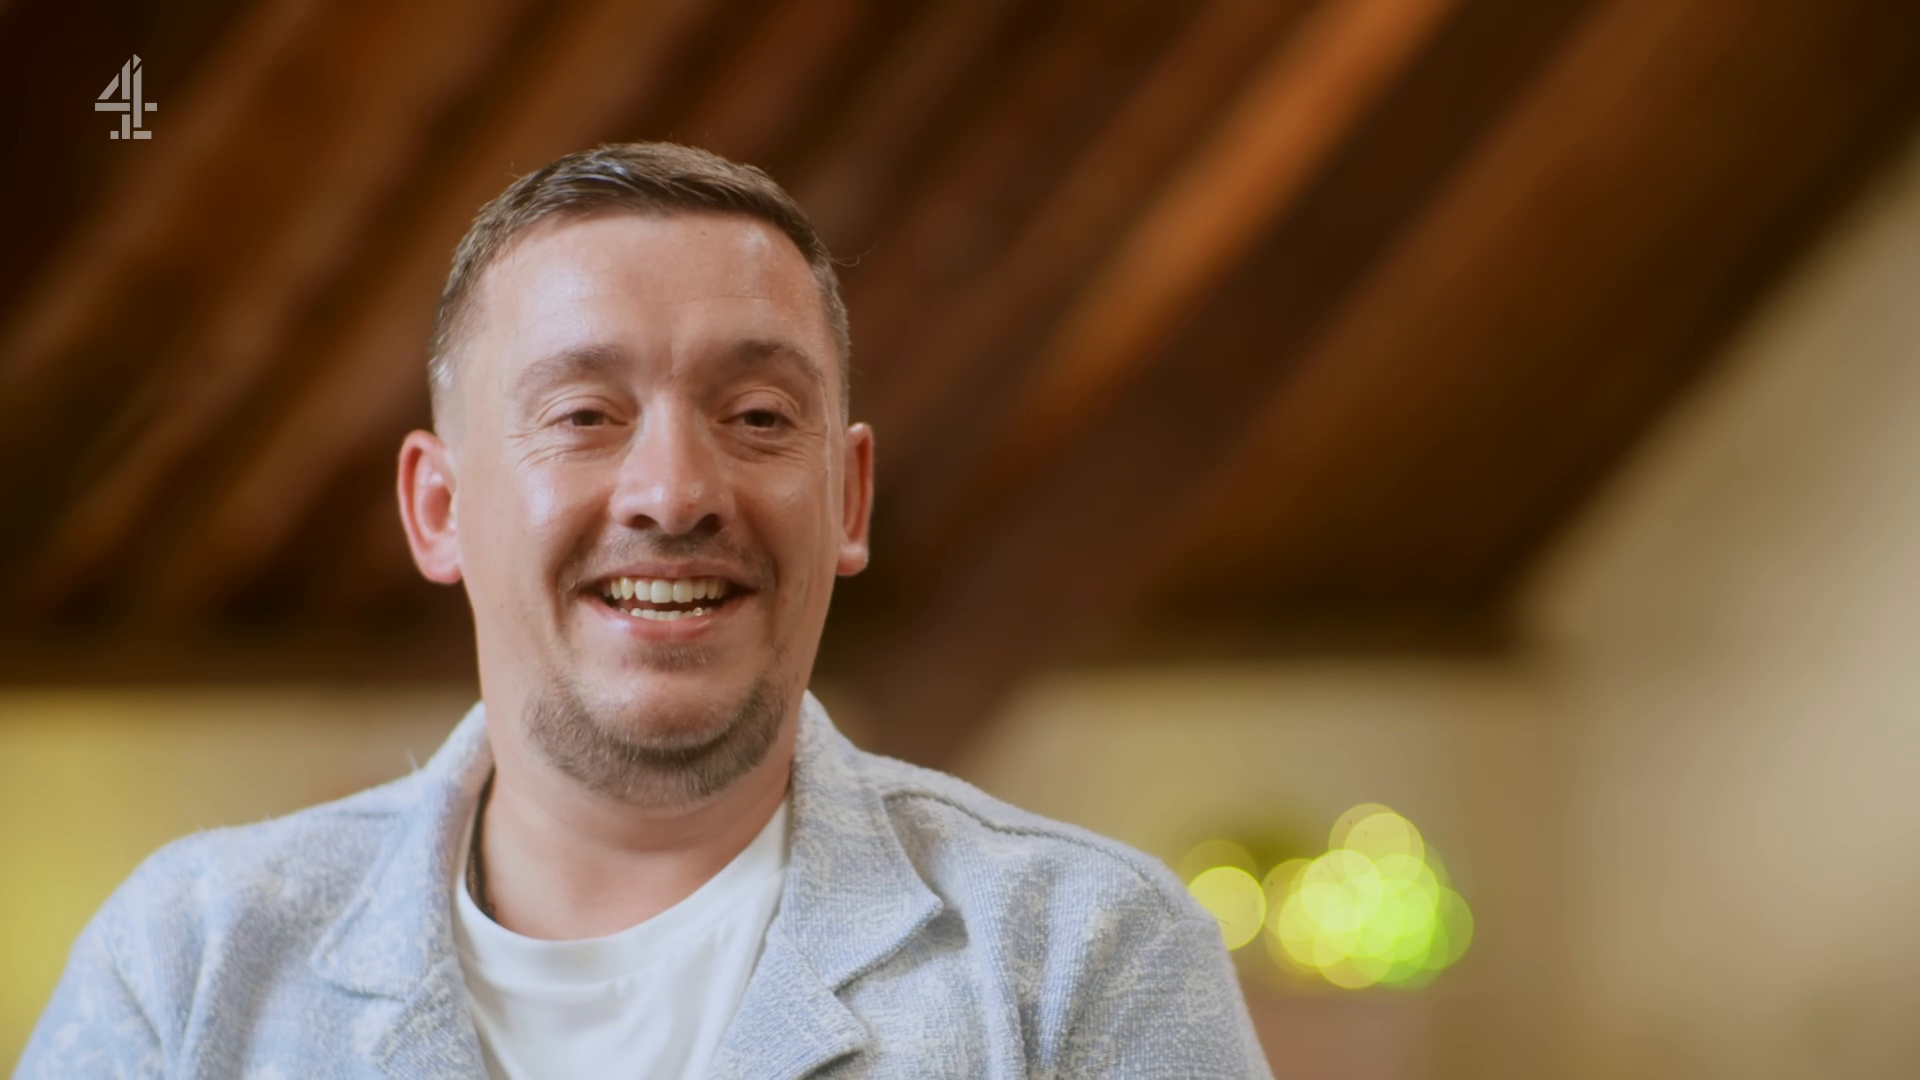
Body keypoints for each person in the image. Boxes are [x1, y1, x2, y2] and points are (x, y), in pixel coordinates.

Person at [19, 143, 1270, 1078]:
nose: (674, 492)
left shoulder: (1084, 957)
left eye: (758, 417)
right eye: (584, 416)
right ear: (438, 507)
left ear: (848, 498)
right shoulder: (188, 963)